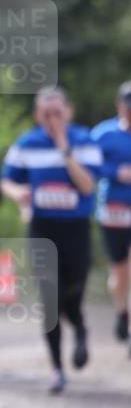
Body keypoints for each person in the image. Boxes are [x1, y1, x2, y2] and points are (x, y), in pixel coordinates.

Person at [1, 86, 102, 394]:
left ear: (68, 112)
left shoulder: (85, 141)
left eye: (58, 113)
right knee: (49, 300)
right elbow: (7, 179)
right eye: (46, 115)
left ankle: (81, 327)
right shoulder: (26, 144)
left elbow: (87, 187)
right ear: (37, 116)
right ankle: (57, 369)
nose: (53, 120)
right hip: (42, 229)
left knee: (72, 293)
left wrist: (64, 149)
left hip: (76, 230)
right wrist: (18, 193)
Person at [91, 81, 131, 349]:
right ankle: (121, 312)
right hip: (113, 211)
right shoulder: (104, 134)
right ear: (120, 106)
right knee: (120, 270)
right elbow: (88, 164)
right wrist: (115, 173)